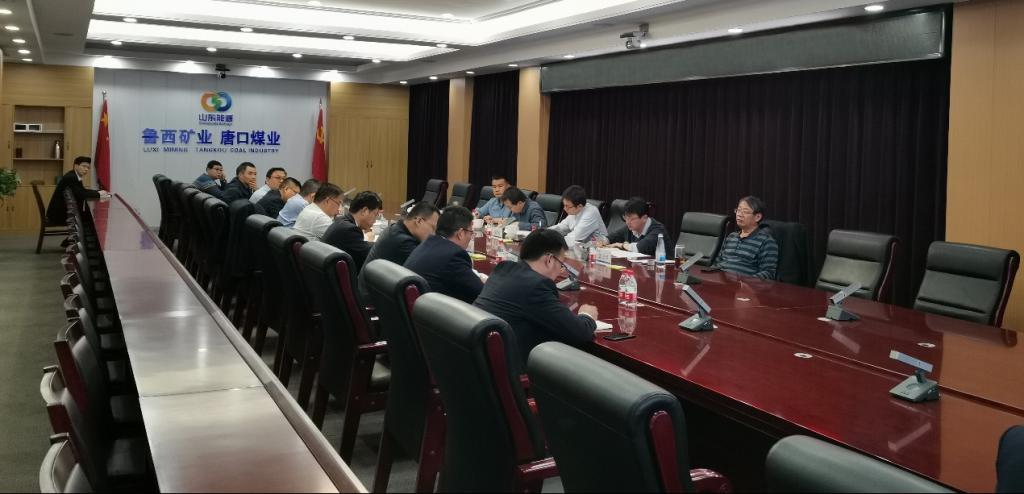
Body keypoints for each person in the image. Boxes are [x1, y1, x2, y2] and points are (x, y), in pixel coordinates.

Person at [473, 229, 598, 365]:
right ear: (549, 260)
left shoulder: (503, 269)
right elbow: (579, 333)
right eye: (561, 264)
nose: (561, 271)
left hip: (479, 361)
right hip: (510, 368)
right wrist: (587, 316)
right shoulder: (536, 286)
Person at [404, 206, 486, 304]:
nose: (470, 237)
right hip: (432, 310)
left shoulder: (428, 243)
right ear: (460, 233)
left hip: (418, 307)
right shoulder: (454, 255)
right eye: (470, 232)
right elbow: (481, 293)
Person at [715, 195, 779, 279]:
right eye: (738, 210)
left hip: (744, 285)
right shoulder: (731, 237)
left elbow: (769, 273)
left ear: (757, 217)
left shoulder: (767, 242)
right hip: (721, 282)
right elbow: (717, 263)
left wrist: (747, 281)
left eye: (745, 212)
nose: (739, 214)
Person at [364, 201, 440, 268]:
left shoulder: (396, 228)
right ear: (419, 221)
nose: (434, 234)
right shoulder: (403, 241)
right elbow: (430, 264)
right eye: (433, 228)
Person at [322, 191, 382, 273]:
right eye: (375, 214)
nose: (375, 220)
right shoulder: (349, 229)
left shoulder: (342, 221)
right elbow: (368, 256)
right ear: (364, 211)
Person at [46, 156, 109, 225]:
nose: (86, 169)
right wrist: (99, 194)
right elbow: (82, 194)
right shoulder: (71, 177)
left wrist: (98, 192)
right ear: (76, 166)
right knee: (91, 217)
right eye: (84, 166)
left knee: (89, 215)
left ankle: (87, 231)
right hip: (59, 216)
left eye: (88, 167)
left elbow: (82, 191)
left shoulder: (74, 175)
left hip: (64, 212)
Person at [602, 198, 668, 256]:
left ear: (644, 218)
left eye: (632, 219)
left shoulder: (658, 230)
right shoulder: (630, 227)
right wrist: (602, 241)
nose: (627, 222)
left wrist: (621, 245)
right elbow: (611, 237)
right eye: (626, 218)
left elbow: (639, 248)